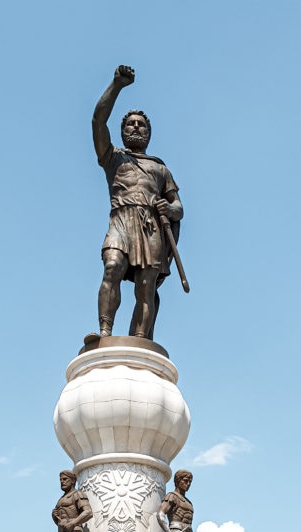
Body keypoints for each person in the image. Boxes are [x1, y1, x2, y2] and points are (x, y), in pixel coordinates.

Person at [92, 65, 183, 340]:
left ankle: (141, 339)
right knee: (112, 266)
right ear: (121, 131)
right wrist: (117, 85)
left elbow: (178, 206)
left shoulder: (159, 168)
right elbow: (98, 120)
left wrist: (169, 208)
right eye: (130, 123)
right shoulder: (113, 158)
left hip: (150, 227)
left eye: (141, 124)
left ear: (148, 133)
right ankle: (104, 333)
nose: (135, 126)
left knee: (146, 286)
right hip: (121, 220)